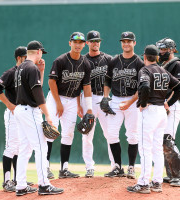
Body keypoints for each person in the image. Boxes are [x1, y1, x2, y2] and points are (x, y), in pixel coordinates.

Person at [127, 45, 180, 194]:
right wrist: (168, 103)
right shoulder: (163, 71)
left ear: (144, 57)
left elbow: (145, 87)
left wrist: (143, 103)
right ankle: (157, 182)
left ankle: (144, 183)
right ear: (157, 58)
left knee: (145, 149)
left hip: (150, 111)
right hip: (161, 112)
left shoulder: (145, 70)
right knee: (157, 149)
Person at [13, 40, 64, 196]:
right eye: (42, 52)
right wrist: (48, 114)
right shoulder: (31, 68)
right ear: (38, 52)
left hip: (20, 110)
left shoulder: (20, 68)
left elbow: (34, 87)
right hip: (30, 111)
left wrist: (41, 71)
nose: (42, 54)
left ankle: (20, 185)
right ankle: (44, 185)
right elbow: (38, 93)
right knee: (41, 147)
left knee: (24, 149)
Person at [46, 32, 93, 179]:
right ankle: (45, 167)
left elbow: (85, 86)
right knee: (51, 131)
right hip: (56, 98)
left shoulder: (86, 63)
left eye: (81, 42)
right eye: (75, 42)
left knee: (68, 133)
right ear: (70, 43)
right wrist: (58, 103)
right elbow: (51, 82)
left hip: (72, 99)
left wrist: (88, 108)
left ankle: (64, 169)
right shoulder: (60, 60)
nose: (78, 45)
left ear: (84, 44)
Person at [102, 31, 144, 178]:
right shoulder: (114, 61)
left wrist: (131, 101)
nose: (126, 43)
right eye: (124, 41)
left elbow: (142, 87)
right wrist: (106, 97)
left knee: (132, 135)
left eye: (129, 41)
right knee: (111, 134)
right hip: (116, 99)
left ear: (134, 43)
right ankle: (118, 167)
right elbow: (107, 81)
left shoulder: (139, 63)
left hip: (133, 101)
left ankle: (131, 167)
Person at [0, 46, 33, 192]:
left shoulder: (27, 73)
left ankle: (17, 179)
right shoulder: (11, 73)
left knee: (21, 148)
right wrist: (9, 105)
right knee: (11, 147)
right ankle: (7, 181)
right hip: (13, 113)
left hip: (24, 113)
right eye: (26, 57)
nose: (28, 60)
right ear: (19, 58)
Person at [77, 30, 115, 177]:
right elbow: (78, 84)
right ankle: (89, 167)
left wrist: (108, 97)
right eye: (92, 41)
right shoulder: (82, 60)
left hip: (104, 97)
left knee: (110, 134)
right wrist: (79, 105)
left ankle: (115, 165)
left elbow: (112, 79)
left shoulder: (108, 59)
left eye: (97, 40)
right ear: (87, 43)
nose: (95, 43)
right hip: (88, 99)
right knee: (87, 134)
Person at [156, 38, 180, 187]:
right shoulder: (162, 65)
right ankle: (170, 175)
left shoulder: (177, 64)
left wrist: (168, 103)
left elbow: (179, 88)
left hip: (172, 106)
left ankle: (178, 176)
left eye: (164, 49)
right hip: (162, 107)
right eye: (160, 49)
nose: (161, 52)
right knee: (162, 141)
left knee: (168, 141)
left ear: (172, 49)